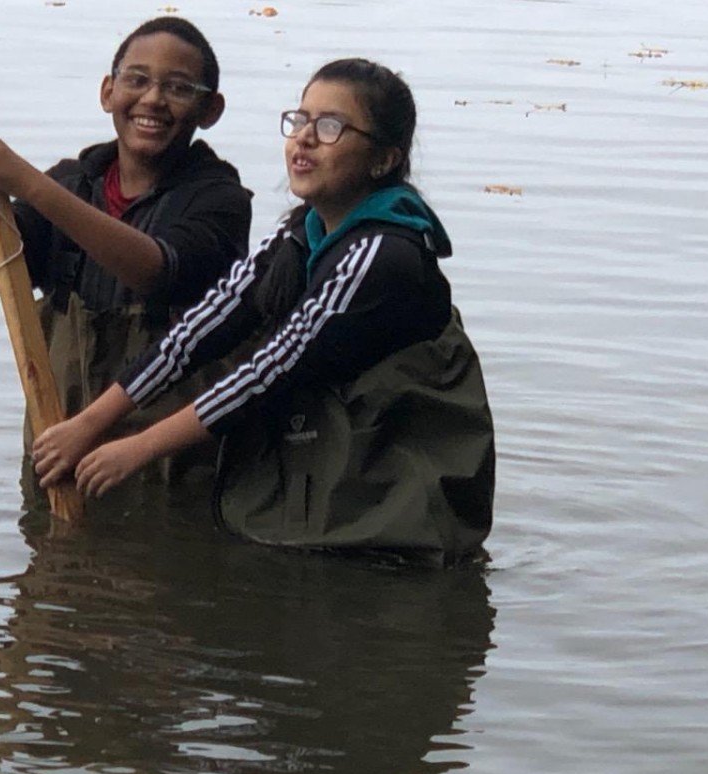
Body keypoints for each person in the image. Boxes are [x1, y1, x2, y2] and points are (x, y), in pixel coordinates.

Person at [31, 58, 496, 558]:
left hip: (390, 488)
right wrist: (91, 423)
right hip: (328, 474)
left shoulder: (383, 254)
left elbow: (271, 369)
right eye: (300, 120)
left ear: (383, 160)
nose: (305, 139)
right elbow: (201, 328)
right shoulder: (300, 234)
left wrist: (139, 447)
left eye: (331, 127)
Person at [0, 16, 252, 479]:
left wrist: (27, 182)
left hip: (169, 472)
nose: (153, 100)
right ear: (108, 91)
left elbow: (158, 273)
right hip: (56, 455)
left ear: (211, 109)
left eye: (179, 87)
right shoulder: (72, 182)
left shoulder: (220, 200)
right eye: (136, 80)